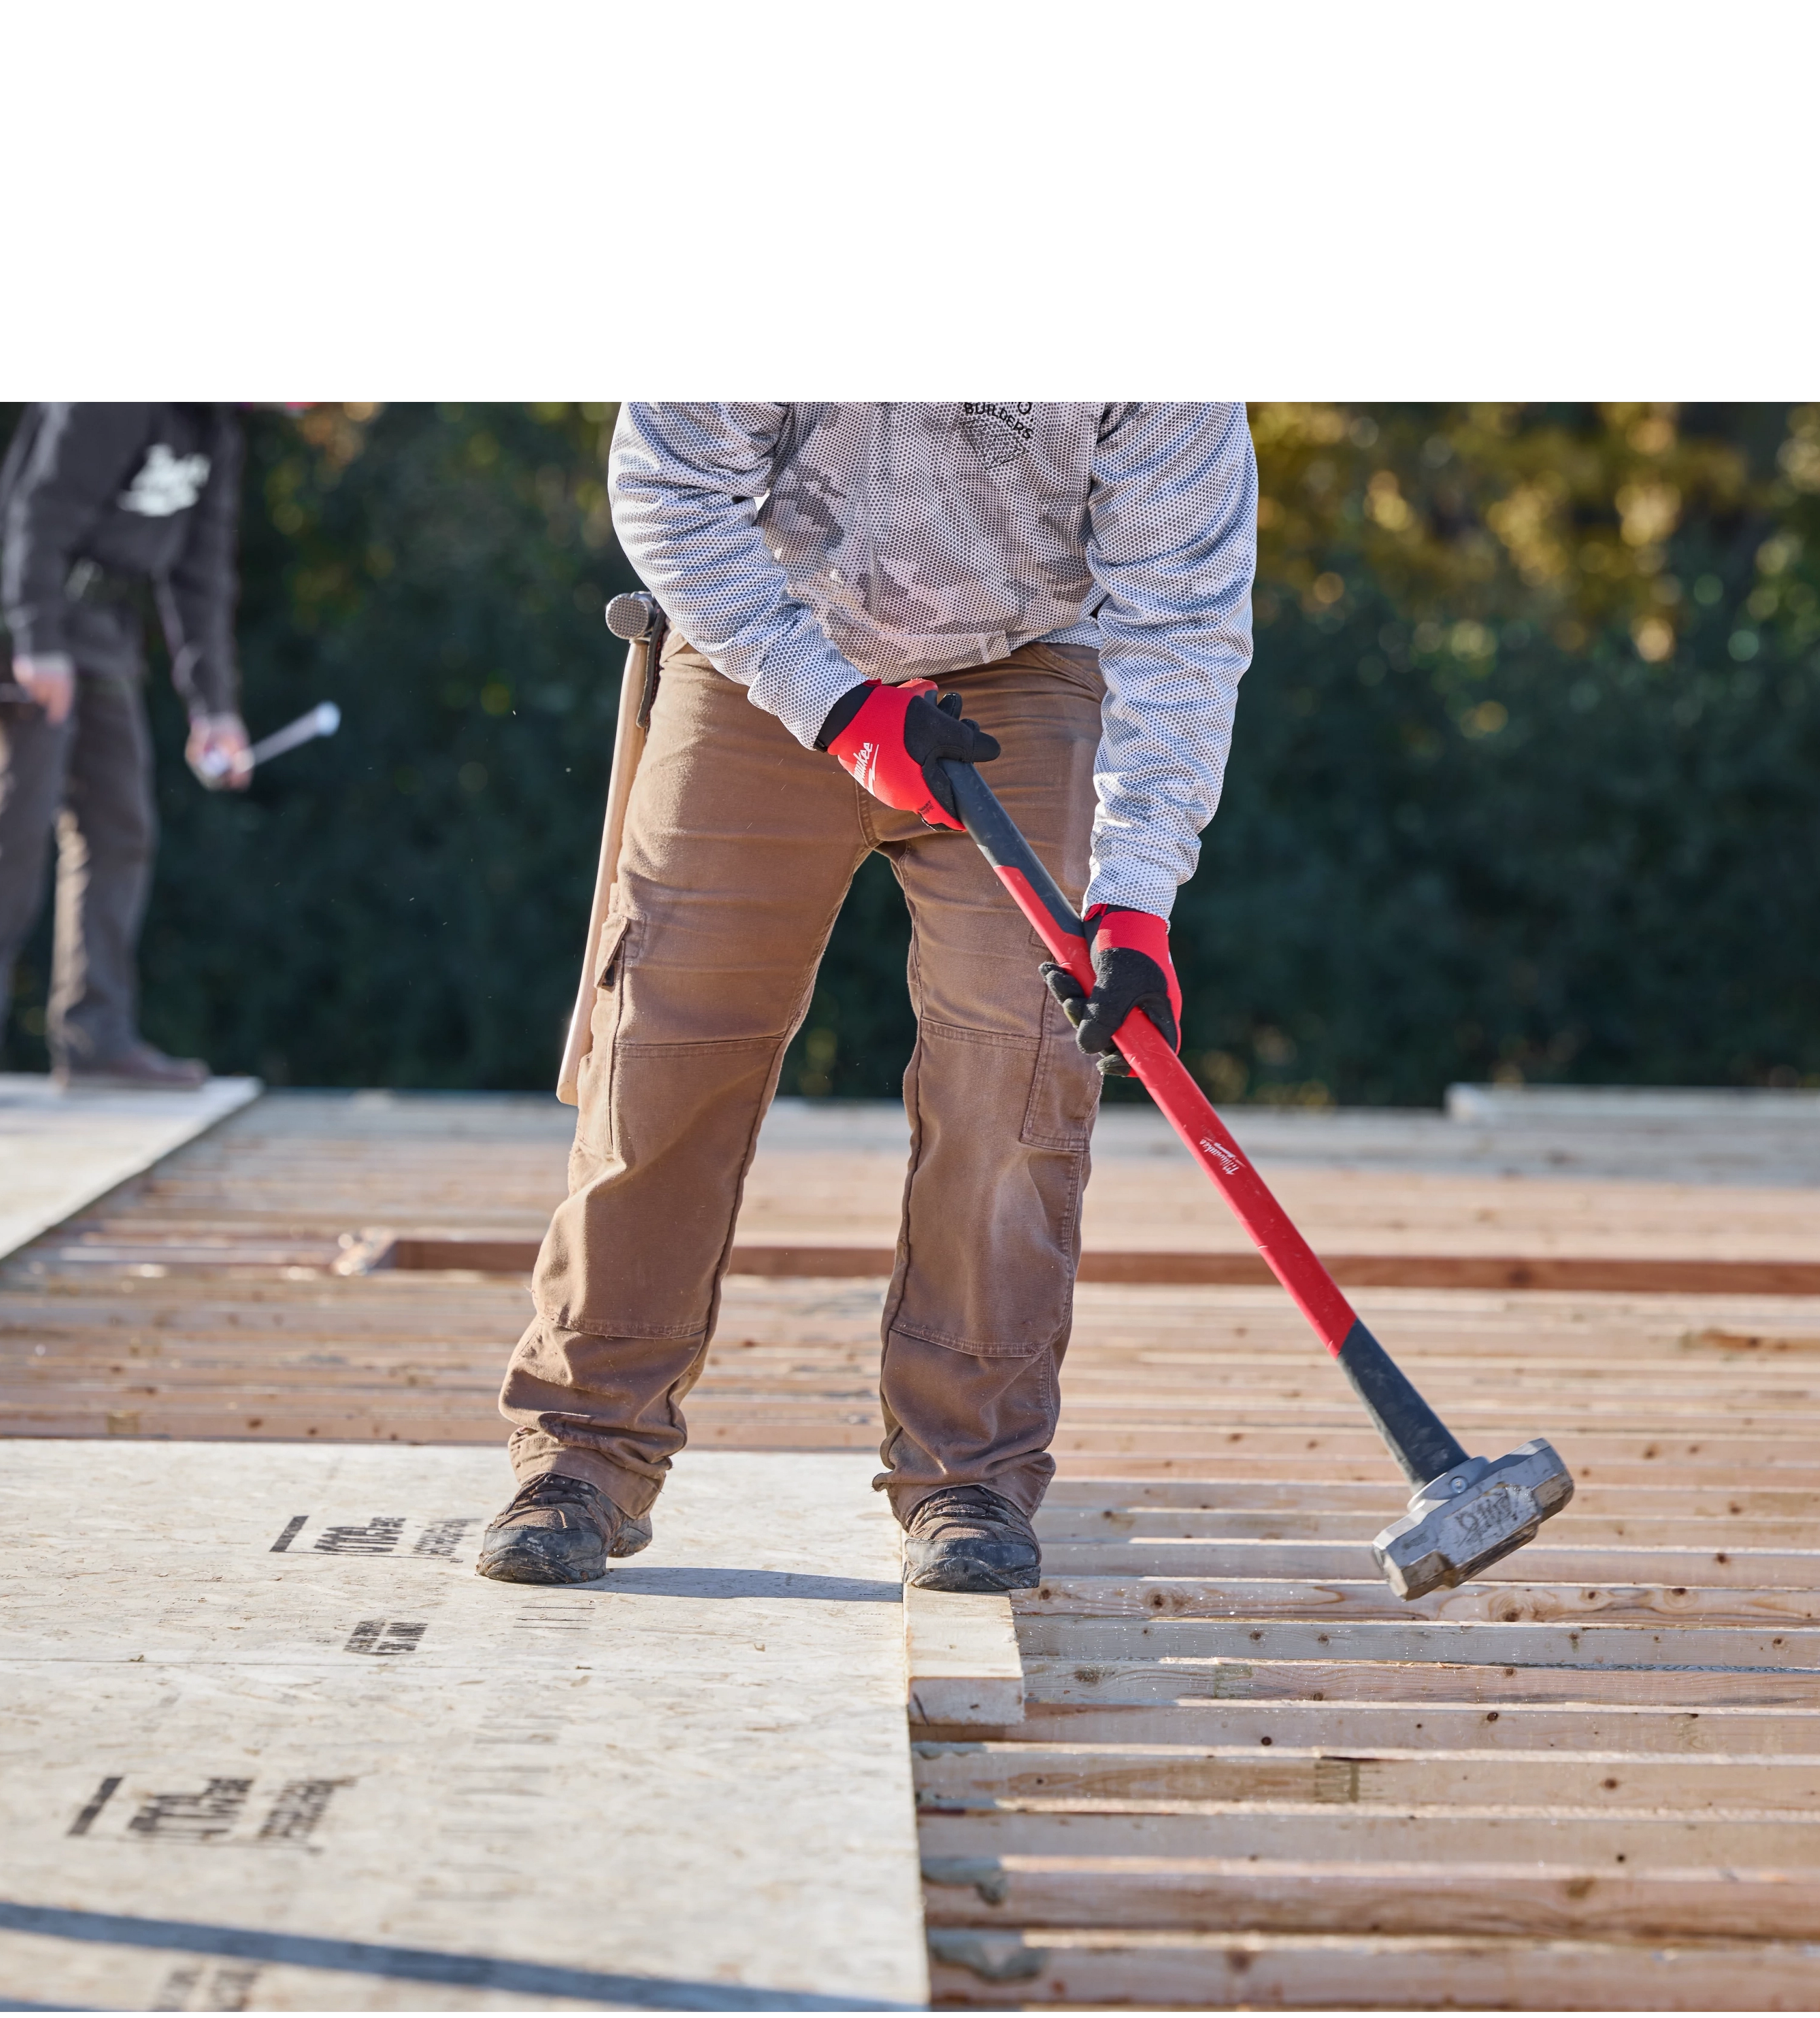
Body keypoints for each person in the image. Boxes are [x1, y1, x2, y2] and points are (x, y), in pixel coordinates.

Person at [479, 402, 1256, 1596]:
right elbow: (670, 485)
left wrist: (1135, 892)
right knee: (668, 1042)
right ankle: (579, 1449)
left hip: (1027, 665)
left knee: (1016, 1060)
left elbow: (1185, 611)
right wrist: (837, 706)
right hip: (769, 645)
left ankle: (969, 1474)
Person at [0, 401, 251, 1093]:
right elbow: (37, 516)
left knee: (120, 826)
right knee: (18, 822)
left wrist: (213, 707)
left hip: (101, 630)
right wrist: (37, 641)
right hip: (19, 614)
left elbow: (202, 572)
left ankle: (95, 1041)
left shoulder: (216, 427)